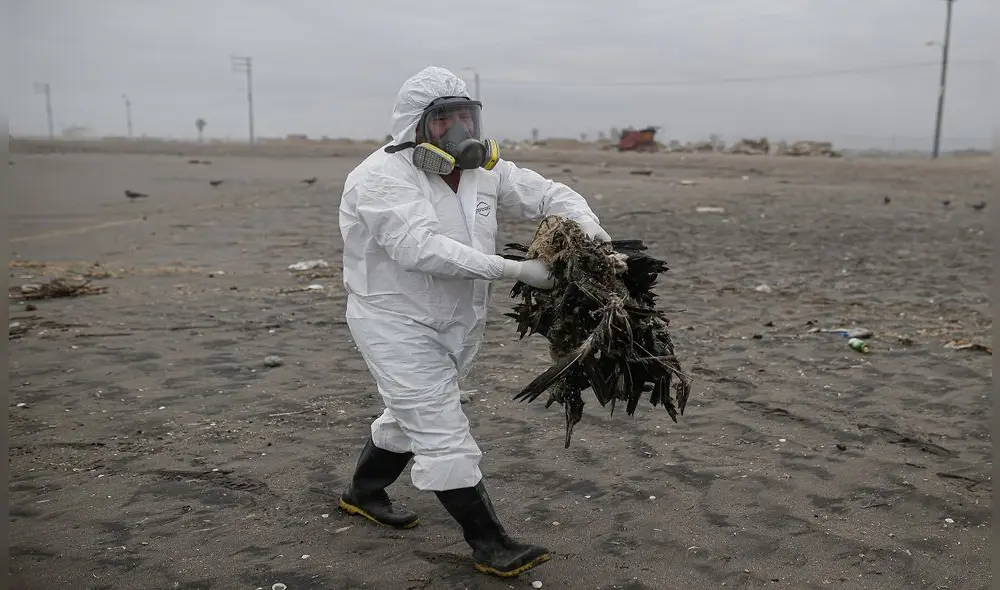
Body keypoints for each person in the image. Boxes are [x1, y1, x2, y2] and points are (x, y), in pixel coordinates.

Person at [337, 65, 611, 578]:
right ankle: (490, 544)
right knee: (439, 426)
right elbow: (420, 249)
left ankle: (363, 492)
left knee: (408, 414)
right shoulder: (380, 178)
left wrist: (589, 230)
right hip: (394, 320)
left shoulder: (484, 170)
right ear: (415, 125)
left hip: (460, 320)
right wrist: (518, 270)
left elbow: (549, 194)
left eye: (466, 115)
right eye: (444, 119)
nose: (459, 129)